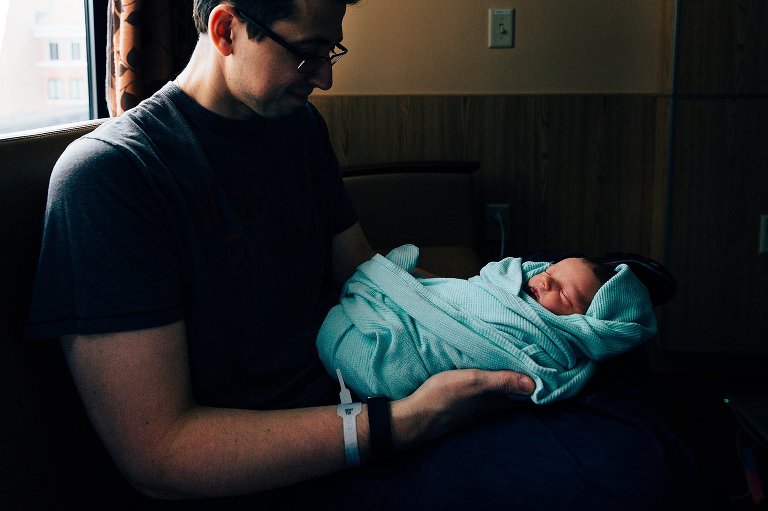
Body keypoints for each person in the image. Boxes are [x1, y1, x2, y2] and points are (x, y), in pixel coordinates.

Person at [24, 1, 702, 509]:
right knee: (628, 471)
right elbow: (160, 454)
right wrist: (405, 422)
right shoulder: (112, 179)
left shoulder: (295, 128)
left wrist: (479, 313)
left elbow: (361, 274)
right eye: (308, 52)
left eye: (332, 53)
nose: (323, 77)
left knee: (612, 362)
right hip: (287, 455)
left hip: (356, 378)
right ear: (226, 29)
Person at [318, 244, 658, 405]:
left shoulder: (552, 350)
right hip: (373, 325)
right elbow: (469, 294)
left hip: (379, 360)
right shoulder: (510, 284)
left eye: (564, 296)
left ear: (586, 328)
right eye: (550, 272)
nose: (543, 282)